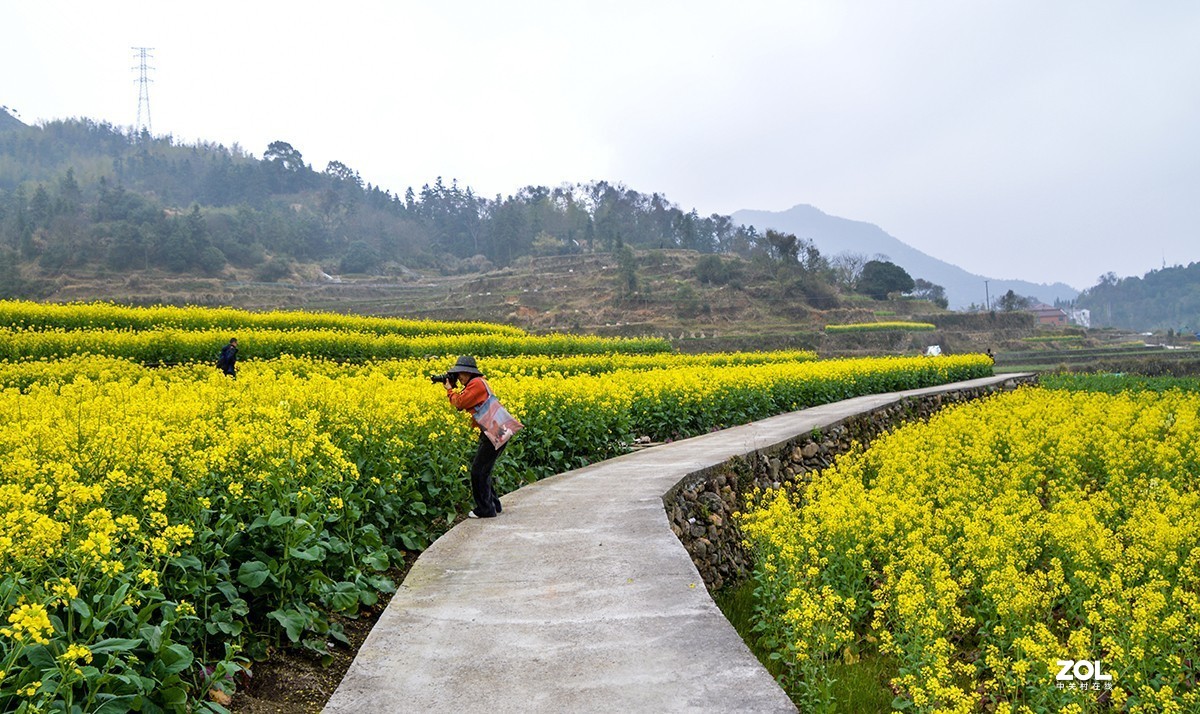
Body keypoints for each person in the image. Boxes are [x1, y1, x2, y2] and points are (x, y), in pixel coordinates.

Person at [443, 355, 505, 519]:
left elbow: (460, 403)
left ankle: (485, 509)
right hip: (495, 429)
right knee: (484, 470)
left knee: (478, 471)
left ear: (470, 373)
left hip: (493, 430)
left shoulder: (476, 384)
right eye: (458, 373)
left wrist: (450, 390)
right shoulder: (477, 383)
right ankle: (494, 505)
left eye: (462, 373)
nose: (460, 376)